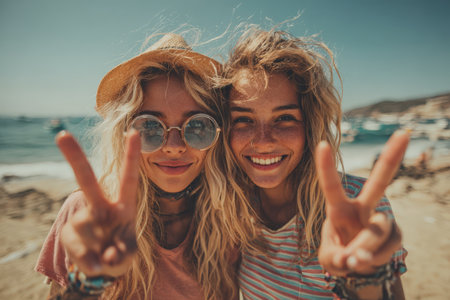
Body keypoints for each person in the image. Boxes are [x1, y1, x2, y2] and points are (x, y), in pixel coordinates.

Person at [35, 33, 249, 300]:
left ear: (216, 135)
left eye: (196, 125)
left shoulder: (229, 221)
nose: (174, 145)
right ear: (123, 134)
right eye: (150, 126)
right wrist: (86, 286)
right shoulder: (86, 212)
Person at [221, 27, 408, 299]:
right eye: (243, 119)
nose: (262, 141)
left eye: (284, 118)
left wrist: (365, 279)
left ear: (311, 124)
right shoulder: (232, 209)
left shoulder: (356, 203)